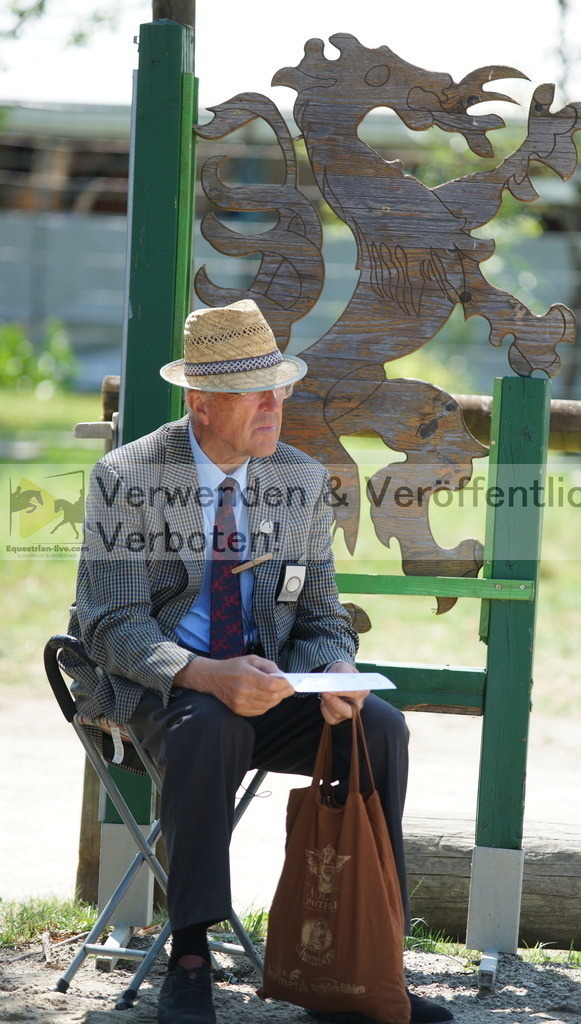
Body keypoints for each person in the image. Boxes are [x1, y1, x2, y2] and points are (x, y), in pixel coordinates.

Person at [65, 300, 454, 1024]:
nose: (275, 403)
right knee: (207, 724)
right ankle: (188, 957)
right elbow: (110, 625)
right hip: (159, 692)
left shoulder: (299, 480)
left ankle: (359, 964)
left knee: (380, 730)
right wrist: (206, 674)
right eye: (255, 390)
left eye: (278, 385)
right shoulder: (126, 477)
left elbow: (322, 619)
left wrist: (335, 669)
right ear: (201, 403)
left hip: (269, 689)